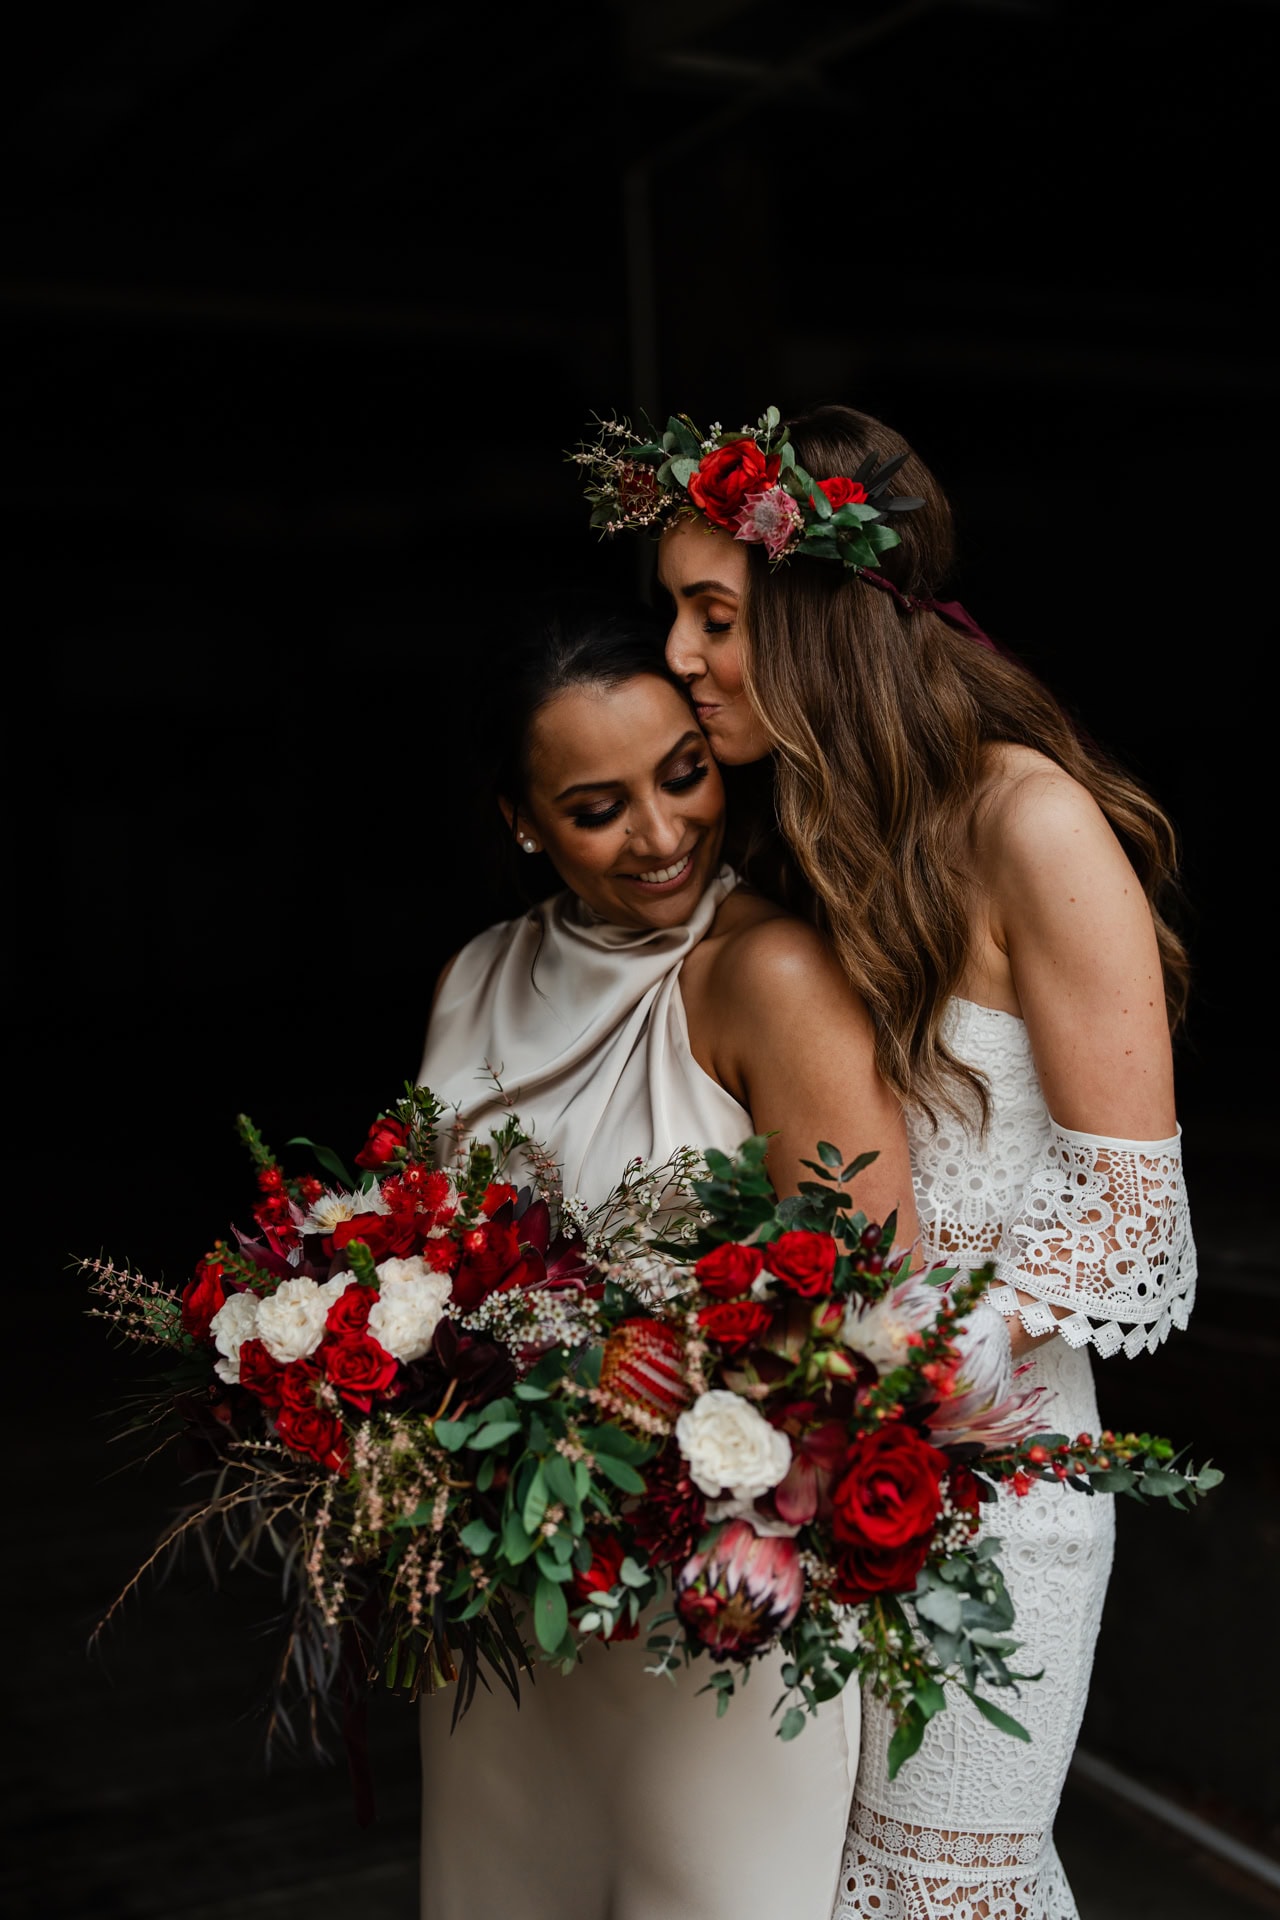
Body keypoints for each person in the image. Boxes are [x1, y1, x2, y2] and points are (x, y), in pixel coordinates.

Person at [639, 401, 1197, 1919]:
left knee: (938, 1889)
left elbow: (1131, 1211)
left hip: (998, 1495)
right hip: (810, 1488)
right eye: (674, 616)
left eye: (715, 616)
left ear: (823, 618)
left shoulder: (1032, 822)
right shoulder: (810, 834)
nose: (681, 659)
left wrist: (902, 1362)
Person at [416, 602, 921, 1920]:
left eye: (681, 776)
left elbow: (875, 1308)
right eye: (597, 808)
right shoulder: (477, 977)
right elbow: (422, 1248)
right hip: (510, 1606)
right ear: (523, 821)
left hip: (712, 1609)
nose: (660, 834)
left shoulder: (770, 973)